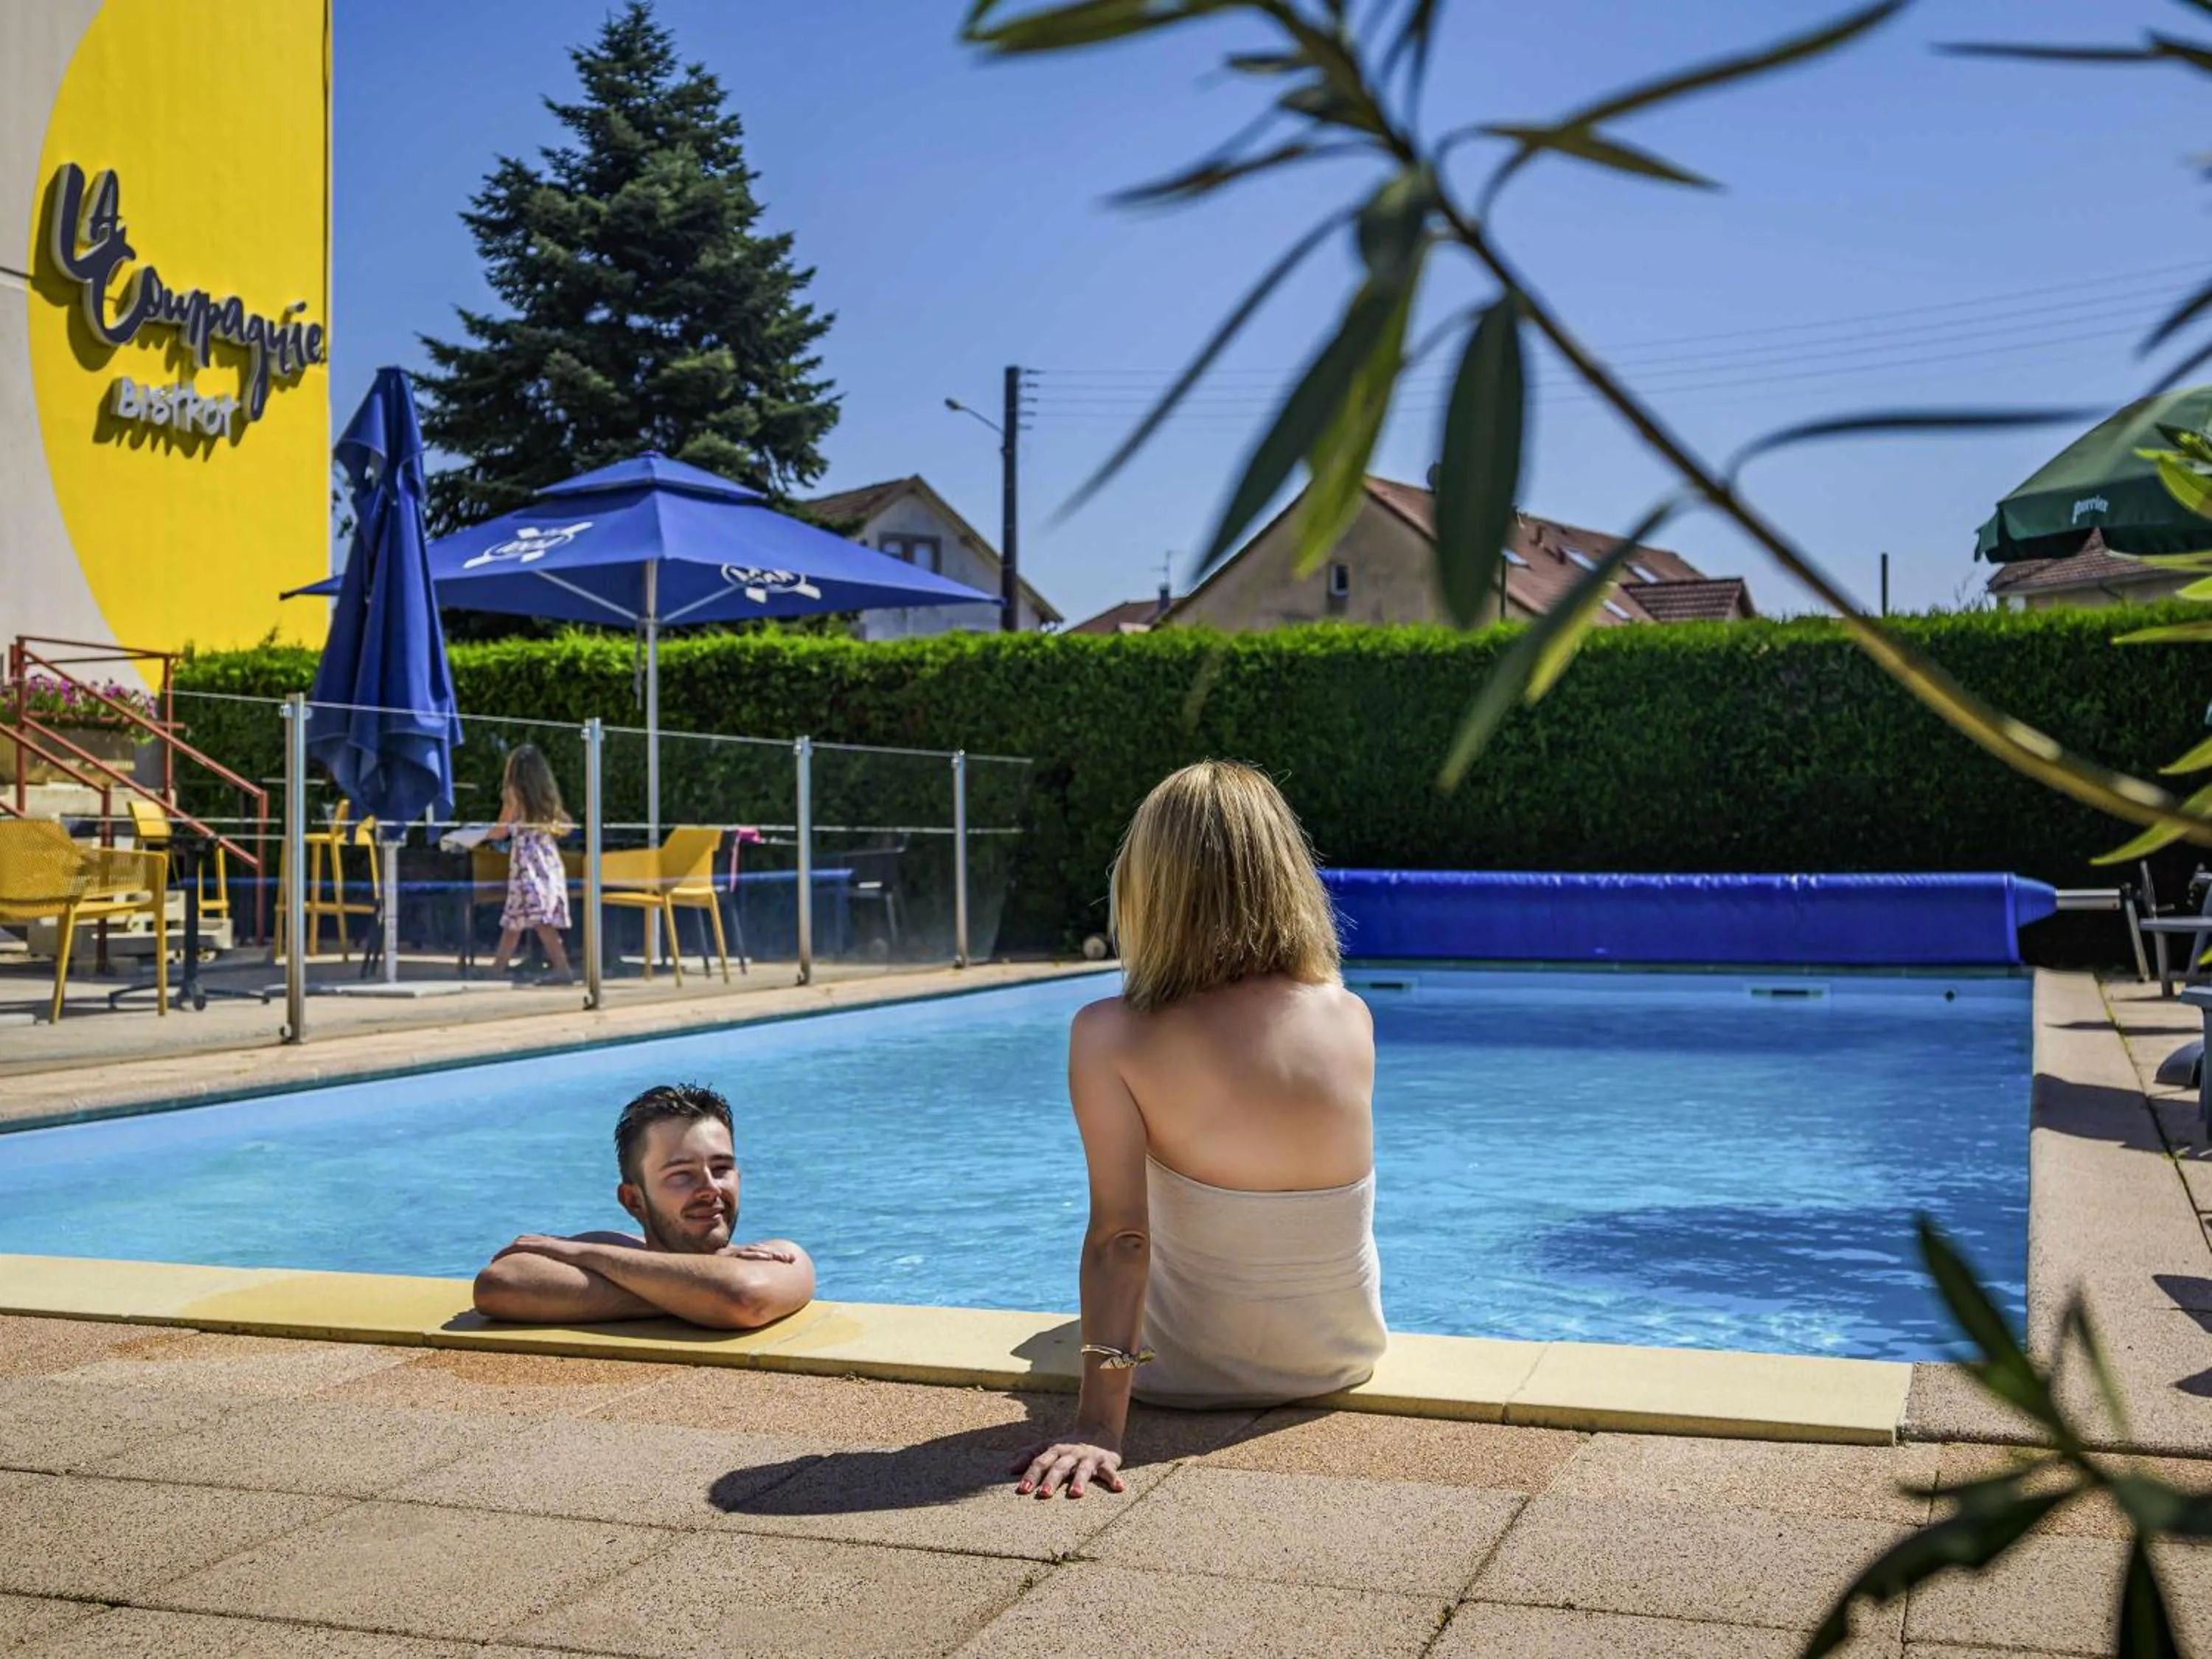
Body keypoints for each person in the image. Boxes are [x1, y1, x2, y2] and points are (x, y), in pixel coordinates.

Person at [1013, 760, 1386, 1500]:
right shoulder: (1348, 1015)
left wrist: (1098, 1424)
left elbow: (1122, 1239)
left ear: (1151, 884)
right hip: (1339, 1359)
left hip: (1189, 1379)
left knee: (1045, 1335)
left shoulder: (1111, 1035)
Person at [472, 1082, 815, 1329]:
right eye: (682, 1175)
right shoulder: (611, 1246)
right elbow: (497, 1286)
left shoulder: (779, 1255)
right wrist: (698, 1297)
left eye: (722, 1168)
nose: (711, 1188)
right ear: (634, 1200)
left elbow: (741, 1297)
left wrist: (586, 1257)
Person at [485, 742, 574, 985]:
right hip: (546, 858)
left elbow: (502, 829)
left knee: (537, 919)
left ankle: (562, 970)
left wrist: (479, 834)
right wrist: (545, 827)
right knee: (516, 918)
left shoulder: (512, 793)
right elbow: (567, 825)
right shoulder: (545, 798)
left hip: (525, 860)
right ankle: (497, 970)